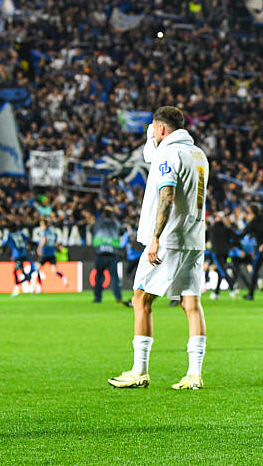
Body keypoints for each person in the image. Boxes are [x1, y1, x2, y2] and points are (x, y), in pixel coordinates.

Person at [108, 106, 210, 390]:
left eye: (153, 128)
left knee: (140, 300)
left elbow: (167, 194)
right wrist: (151, 138)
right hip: (194, 238)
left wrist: (155, 237)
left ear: (162, 128)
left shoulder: (168, 154)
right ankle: (194, 375)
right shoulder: (198, 154)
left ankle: (139, 371)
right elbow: (151, 155)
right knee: (191, 304)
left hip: (169, 239)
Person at [92, 207, 128, 306]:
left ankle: (97, 298)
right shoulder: (116, 224)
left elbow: (92, 231)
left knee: (99, 277)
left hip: (100, 254)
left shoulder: (98, 223)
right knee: (114, 277)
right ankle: (118, 297)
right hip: (112, 254)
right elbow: (122, 232)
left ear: (103, 214)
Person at [241, 203, 263, 300]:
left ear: (252, 213)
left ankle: (251, 294)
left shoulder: (254, 222)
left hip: (261, 249)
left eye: (248, 212)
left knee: (254, 271)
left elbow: (243, 233)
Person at [207, 213, 238, 300]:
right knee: (221, 271)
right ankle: (216, 292)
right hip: (225, 252)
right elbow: (235, 238)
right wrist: (231, 246)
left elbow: (206, 239)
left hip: (216, 252)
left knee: (222, 271)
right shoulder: (226, 228)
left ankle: (232, 286)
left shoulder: (212, 229)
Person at [6, 225, 38, 297]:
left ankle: (16, 288)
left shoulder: (10, 235)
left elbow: (7, 243)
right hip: (24, 254)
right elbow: (28, 239)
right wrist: (29, 246)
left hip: (17, 255)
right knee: (21, 271)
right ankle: (31, 285)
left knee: (15, 271)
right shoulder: (21, 233)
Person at [36, 217, 68, 289]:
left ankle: (39, 286)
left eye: (41, 224)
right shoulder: (52, 232)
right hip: (52, 254)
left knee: (37, 269)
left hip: (44, 253)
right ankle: (63, 278)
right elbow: (56, 243)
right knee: (54, 271)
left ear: (44, 224)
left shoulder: (43, 232)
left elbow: (44, 240)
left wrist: (39, 248)